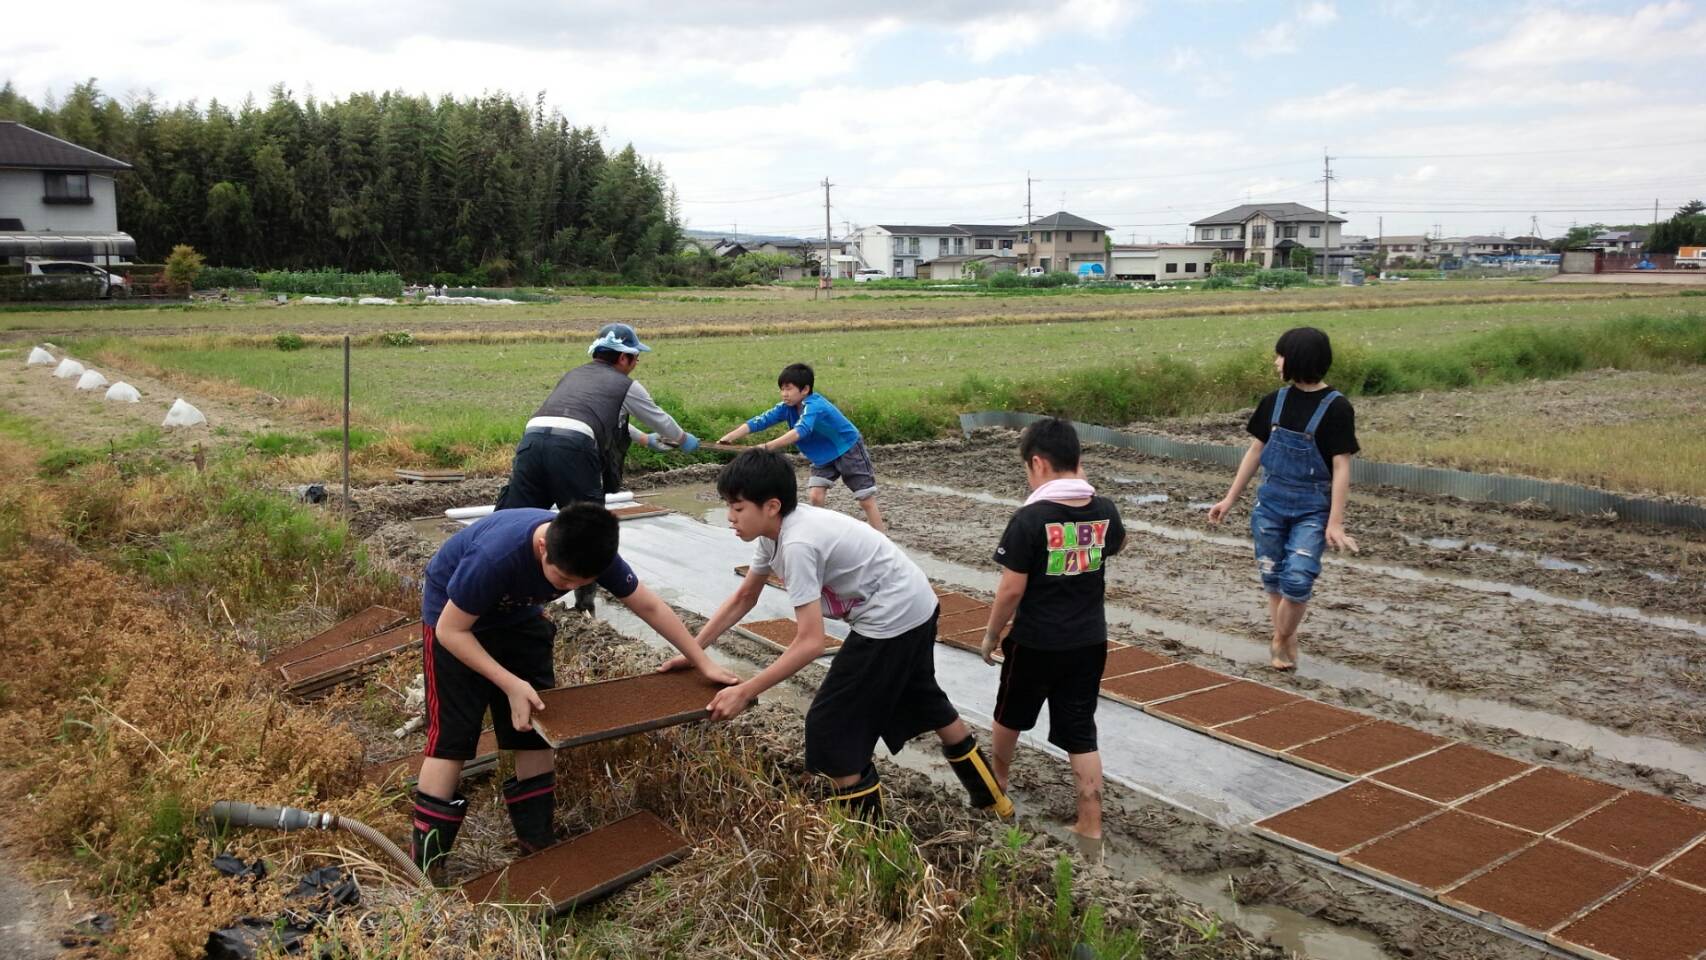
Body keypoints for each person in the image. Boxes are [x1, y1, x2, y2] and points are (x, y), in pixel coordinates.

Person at [660, 449, 1010, 823]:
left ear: (771, 506)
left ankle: (869, 841)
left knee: (830, 725)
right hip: (915, 602)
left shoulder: (798, 544)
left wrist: (746, 691)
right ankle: (994, 802)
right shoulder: (772, 533)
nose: (730, 517)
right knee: (923, 697)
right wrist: (694, 651)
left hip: (892, 617)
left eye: (738, 507)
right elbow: (745, 596)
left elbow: (811, 642)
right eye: (728, 506)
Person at [410, 503, 737, 878]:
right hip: (454, 623)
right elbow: (452, 631)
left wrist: (701, 660)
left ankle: (536, 844)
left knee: (536, 727)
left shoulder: (593, 549)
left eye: (581, 584)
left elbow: (647, 604)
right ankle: (426, 867)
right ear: (544, 546)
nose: (568, 589)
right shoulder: (496, 556)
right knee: (453, 740)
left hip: (518, 619)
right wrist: (510, 683)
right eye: (563, 580)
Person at [979, 418, 1124, 862]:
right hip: (1089, 640)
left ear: (1038, 464)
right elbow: (1116, 545)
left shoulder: (1030, 519)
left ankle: (998, 783)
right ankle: (1090, 823)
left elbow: (1011, 590)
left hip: (1036, 640)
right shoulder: (1105, 510)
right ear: (1078, 461)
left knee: (1010, 714)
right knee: (1081, 730)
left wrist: (991, 634)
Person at [496, 322, 699, 611]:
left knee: (514, 520)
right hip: (573, 449)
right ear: (623, 358)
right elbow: (658, 418)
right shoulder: (625, 384)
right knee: (587, 529)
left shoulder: (574, 375)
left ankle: (503, 594)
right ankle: (584, 604)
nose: (635, 365)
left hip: (533, 439)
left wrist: (643, 439)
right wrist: (683, 438)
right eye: (635, 358)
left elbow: (591, 419)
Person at [1208, 327, 1360, 671]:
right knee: (1273, 576)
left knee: (1298, 578)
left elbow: (1341, 466)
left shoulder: (1336, 408)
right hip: (1271, 504)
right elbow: (1255, 451)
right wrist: (1229, 499)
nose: (1276, 362)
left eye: (1280, 355)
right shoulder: (1273, 402)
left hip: (1312, 507)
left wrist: (1335, 521)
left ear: (1298, 359)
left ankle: (1280, 637)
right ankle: (1286, 636)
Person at [717, 363, 884, 531]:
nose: (784, 394)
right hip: (821, 456)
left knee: (865, 500)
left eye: (788, 389)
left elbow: (801, 430)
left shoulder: (814, 405)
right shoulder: (786, 408)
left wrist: (768, 446)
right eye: (782, 389)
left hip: (847, 449)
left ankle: (882, 541)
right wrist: (730, 437)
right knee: (815, 496)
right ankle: (819, 534)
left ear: (805, 390)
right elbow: (760, 421)